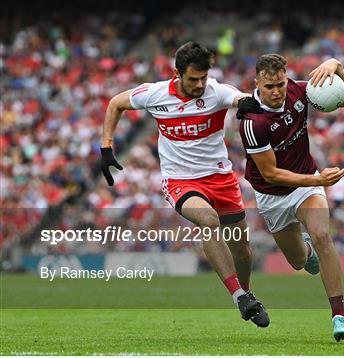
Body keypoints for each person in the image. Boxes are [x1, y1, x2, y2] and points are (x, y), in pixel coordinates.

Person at [100, 41, 269, 327]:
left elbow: (238, 97)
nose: (200, 84)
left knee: (241, 249)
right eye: (193, 78)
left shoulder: (215, 91)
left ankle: (247, 291)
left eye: (204, 77)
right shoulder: (155, 94)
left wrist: (246, 104)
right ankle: (238, 295)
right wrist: (106, 146)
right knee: (208, 219)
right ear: (176, 74)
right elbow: (116, 103)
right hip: (180, 180)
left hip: (221, 178)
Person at [238, 54, 344, 341]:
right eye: (269, 87)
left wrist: (337, 66)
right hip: (273, 195)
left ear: (286, 78)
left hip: (306, 185)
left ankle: (339, 316)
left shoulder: (300, 90)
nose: (277, 91)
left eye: (280, 83)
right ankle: (306, 253)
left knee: (321, 234)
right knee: (298, 261)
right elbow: (271, 174)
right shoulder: (253, 121)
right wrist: (318, 179)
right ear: (257, 84)